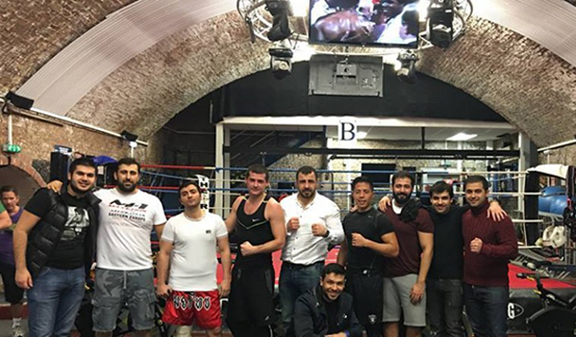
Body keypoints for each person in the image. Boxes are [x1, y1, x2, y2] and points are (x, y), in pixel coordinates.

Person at [50, 157, 168, 337]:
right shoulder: (99, 197)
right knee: (103, 327)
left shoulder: (152, 201)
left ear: (138, 176)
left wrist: (162, 280)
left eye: (132, 173)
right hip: (107, 271)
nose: (128, 177)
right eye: (123, 172)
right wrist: (58, 184)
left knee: (144, 326)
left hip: (142, 271)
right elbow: (73, 193)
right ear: (116, 174)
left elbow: (165, 241)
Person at [379, 181, 506, 337]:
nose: (440, 202)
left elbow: (480, 205)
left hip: (454, 279)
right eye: (436, 198)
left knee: (453, 326)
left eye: (444, 198)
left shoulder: (460, 213)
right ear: (430, 200)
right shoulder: (424, 213)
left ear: (451, 199)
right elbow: (400, 202)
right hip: (431, 278)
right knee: (435, 327)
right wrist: (385, 198)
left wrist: (494, 203)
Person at [14, 157, 101, 337]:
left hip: (77, 275)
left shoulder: (93, 204)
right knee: (41, 332)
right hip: (46, 273)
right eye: (80, 174)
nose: (85, 178)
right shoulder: (47, 196)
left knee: (62, 332)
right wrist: (21, 269)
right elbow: (20, 230)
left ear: (95, 179)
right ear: (70, 175)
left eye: (90, 175)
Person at [156, 180, 232, 337]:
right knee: (182, 331)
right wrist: (162, 283)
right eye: (184, 194)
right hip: (180, 286)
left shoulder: (216, 221)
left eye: (192, 191)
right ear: (180, 200)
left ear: (200, 194)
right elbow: (164, 253)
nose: (189, 196)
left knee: (214, 330)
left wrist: (226, 279)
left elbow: (225, 250)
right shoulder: (173, 223)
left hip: (207, 286)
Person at [280, 166, 345, 333]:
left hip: (312, 269)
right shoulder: (285, 204)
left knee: (315, 316)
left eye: (310, 181)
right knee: (287, 317)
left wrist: (326, 232)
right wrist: (286, 228)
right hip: (287, 268)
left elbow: (340, 236)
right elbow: (275, 233)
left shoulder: (328, 206)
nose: (306, 186)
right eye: (303, 182)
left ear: (317, 183)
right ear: (296, 183)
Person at [224, 164, 286, 337]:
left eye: (260, 181)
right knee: (236, 319)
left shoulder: (272, 206)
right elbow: (225, 228)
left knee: (261, 321)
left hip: (260, 271)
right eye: (252, 180)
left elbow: (280, 241)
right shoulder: (239, 202)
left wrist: (255, 250)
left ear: (266, 183)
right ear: (246, 181)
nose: (255, 185)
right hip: (240, 270)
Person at [337, 176, 399, 337]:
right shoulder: (349, 218)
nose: (362, 196)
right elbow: (345, 247)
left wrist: (367, 243)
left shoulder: (380, 219)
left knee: (372, 326)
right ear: (353, 194)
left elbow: (393, 249)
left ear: (372, 194)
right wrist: (338, 271)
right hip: (351, 276)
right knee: (350, 321)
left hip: (372, 279)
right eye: (358, 192)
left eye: (365, 192)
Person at [462, 176, 518, 337]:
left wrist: (485, 248)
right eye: (469, 191)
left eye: (478, 191)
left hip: (494, 286)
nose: (473, 195)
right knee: (478, 331)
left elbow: (512, 250)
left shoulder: (499, 217)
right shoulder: (465, 217)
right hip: (470, 285)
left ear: (487, 192)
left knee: (496, 332)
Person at [381, 171, 433, 337]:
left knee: (414, 324)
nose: (402, 190)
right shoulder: (384, 209)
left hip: (410, 276)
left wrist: (420, 282)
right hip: (386, 275)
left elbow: (428, 249)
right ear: (392, 187)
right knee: (389, 321)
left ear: (412, 189)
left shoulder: (420, 214)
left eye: (406, 186)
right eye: (398, 186)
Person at [289, 263, 362, 337]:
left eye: (339, 284)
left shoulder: (347, 299)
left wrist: (344, 335)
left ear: (344, 284)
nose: (334, 288)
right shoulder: (305, 302)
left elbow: (357, 329)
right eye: (330, 282)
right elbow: (304, 335)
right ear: (321, 281)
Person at [1, 186, 25, 337]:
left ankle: (16, 325)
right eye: (5, 199)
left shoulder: (24, 215)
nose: (8, 202)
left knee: (15, 296)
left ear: (17, 198)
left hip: (13, 260)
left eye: (11, 198)